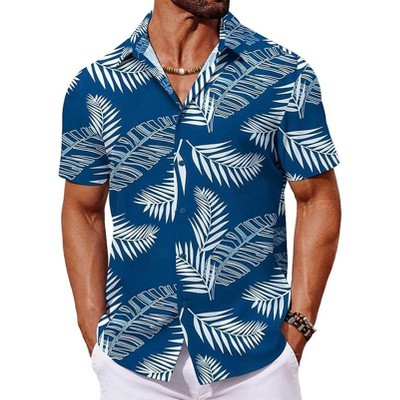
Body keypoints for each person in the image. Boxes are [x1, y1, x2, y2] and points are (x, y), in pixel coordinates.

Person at [58, 0, 341, 399]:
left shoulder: (283, 74)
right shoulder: (95, 86)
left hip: (257, 358)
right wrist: (92, 329)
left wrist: (299, 327)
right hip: (132, 360)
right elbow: (82, 209)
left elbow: (316, 199)